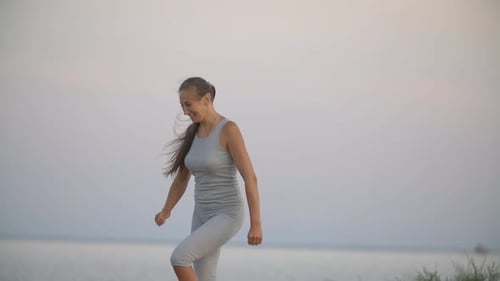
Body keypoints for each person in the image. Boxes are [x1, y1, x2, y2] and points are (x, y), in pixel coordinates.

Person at [155, 77, 263, 281]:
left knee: (180, 258)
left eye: (188, 104)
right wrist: (166, 210)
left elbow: (250, 178)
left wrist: (256, 224)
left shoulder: (228, 129)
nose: (185, 111)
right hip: (201, 215)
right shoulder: (192, 133)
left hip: (227, 214)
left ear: (206, 99)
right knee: (205, 277)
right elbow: (182, 178)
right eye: (182, 106)